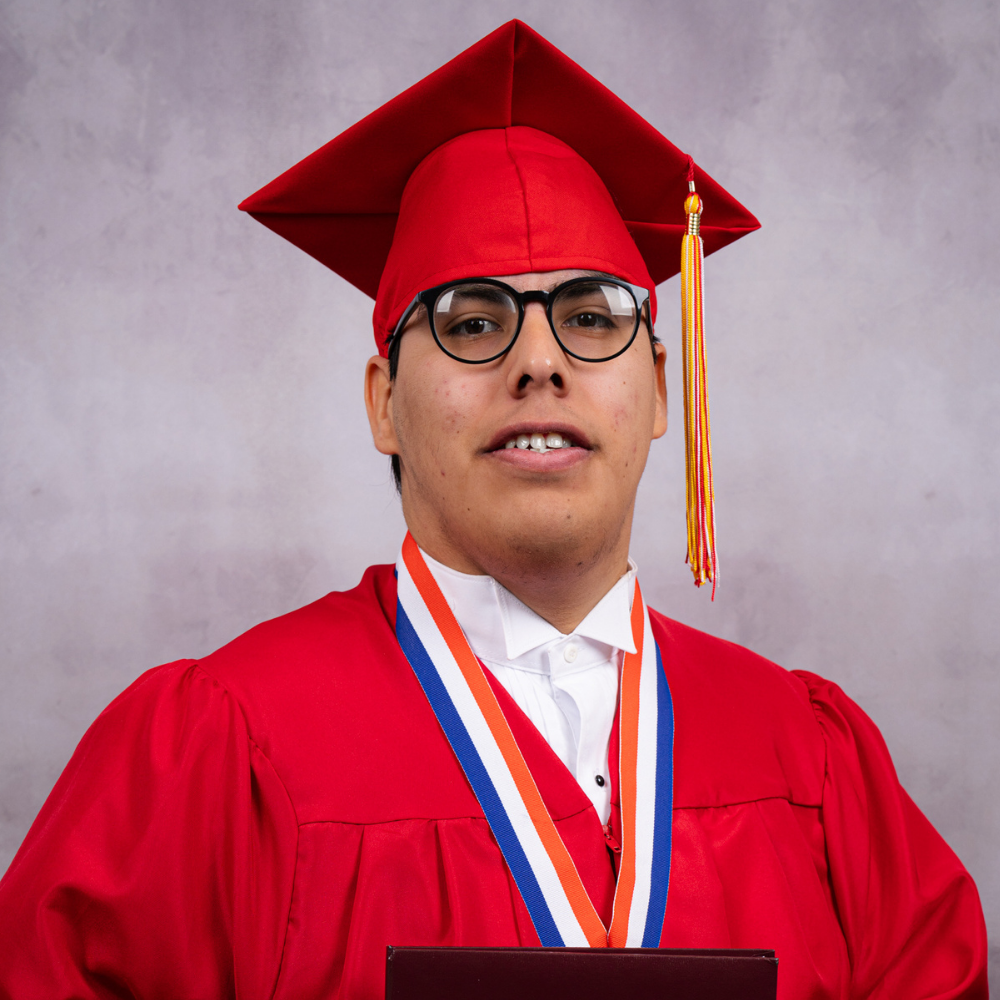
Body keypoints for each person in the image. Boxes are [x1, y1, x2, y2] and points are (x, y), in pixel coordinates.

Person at [0, 20, 987, 1000]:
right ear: (384, 403)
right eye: (472, 323)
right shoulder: (220, 755)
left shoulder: (811, 760)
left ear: (658, 388)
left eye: (591, 317)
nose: (539, 361)